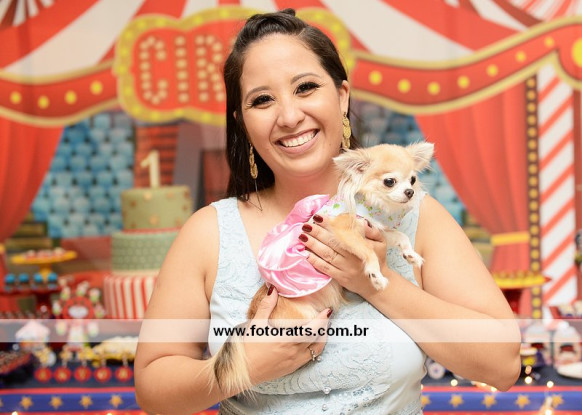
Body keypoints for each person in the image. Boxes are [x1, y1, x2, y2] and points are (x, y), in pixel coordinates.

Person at [134, 8, 521, 415]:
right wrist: (244, 366)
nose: (289, 116)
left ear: (341, 96)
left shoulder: (411, 217)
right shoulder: (209, 233)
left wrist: (377, 282)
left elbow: (503, 365)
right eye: (262, 100)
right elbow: (153, 389)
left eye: (305, 88)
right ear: (243, 122)